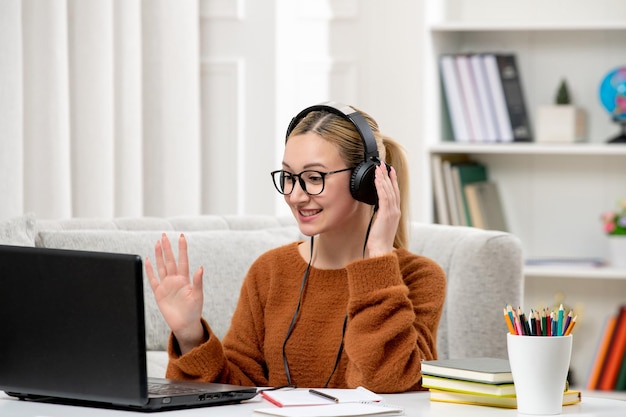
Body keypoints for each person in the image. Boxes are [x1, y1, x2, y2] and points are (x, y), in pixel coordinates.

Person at [145, 102, 446, 393]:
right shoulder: (270, 271)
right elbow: (235, 389)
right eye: (289, 177)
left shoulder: (418, 277)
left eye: (314, 178)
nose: (295, 195)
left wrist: (379, 256)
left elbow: (388, 381)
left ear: (365, 181)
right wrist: (189, 335)